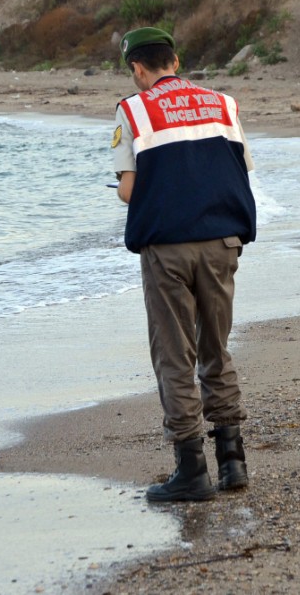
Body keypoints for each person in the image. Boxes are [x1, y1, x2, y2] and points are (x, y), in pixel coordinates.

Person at [111, 27, 256, 502]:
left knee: (175, 354)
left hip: (168, 248)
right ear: (175, 59)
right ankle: (233, 462)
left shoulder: (133, 109)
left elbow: (130, 191)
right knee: (217, 347)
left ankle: (191, 470)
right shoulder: (224, 103)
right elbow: (241, 169)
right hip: (221, 242)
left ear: (137, 68)